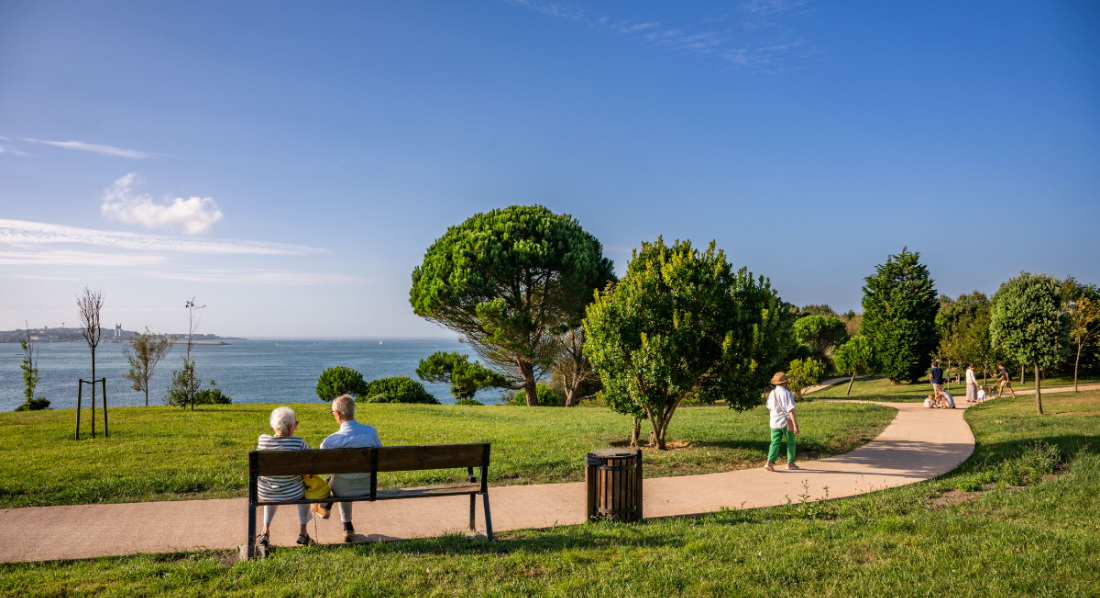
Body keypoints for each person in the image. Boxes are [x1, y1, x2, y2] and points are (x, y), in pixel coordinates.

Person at [310, 394, 381, 543]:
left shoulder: (331, 441)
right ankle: (347, 527)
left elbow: (321, 465)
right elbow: (380, 455)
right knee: (344, 478)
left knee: (340, 479)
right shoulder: (371, 432)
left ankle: (324, 505)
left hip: (340, 489)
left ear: (337, 414)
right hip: (369, 487)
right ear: (353, 411)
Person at [256, 406, 314, 547]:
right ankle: (302, 533)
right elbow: (313, 458)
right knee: (305, 491)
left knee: (273, 484)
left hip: (266, 491)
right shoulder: (298, 442)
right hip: (293, 493)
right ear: (290, 426)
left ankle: (265, 532)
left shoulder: (263, 440)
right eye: (295, 424)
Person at [763, 372, 799, 472]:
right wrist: (795, 425)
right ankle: (790, 463)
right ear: (785, 382)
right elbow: (790, 410)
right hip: (786, 422)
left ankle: (769, 462)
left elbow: (770, 408)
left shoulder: (772, 393)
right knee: (791, 443)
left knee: (774, 443)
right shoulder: (787, 394)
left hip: (774, 422)